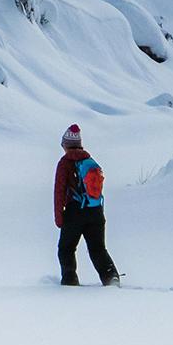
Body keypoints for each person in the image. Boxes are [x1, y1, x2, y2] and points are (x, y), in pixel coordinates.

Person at [54, 123, 119, 287]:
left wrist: (59, 218)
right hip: (95, 211)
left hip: (75, 212)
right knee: (98, 249)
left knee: (66, 248)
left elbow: (59, 192)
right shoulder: (89, 160)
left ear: (66, 145)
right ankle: (112, 278)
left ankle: (70, 281)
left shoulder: (65, 163)